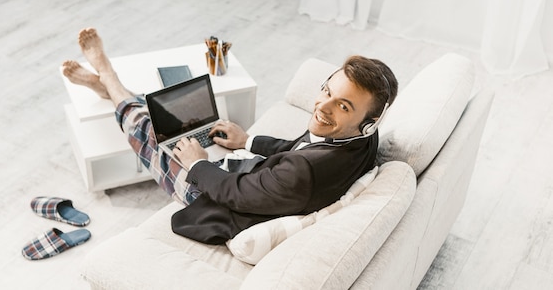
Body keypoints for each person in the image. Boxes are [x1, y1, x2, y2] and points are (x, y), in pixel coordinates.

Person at [62, 28, 398, 245]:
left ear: (368, 121)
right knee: (177, 123)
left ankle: (109, 79)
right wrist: (247, 141)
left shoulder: (305, 173)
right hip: (258, 183)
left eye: (341, 105)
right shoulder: (362, 136)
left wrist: (198, 165)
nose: (321, 107)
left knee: (152, 132)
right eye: (326, 90)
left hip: (219, 203)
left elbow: (238, 195)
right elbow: (299, 150)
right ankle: (116, 91)